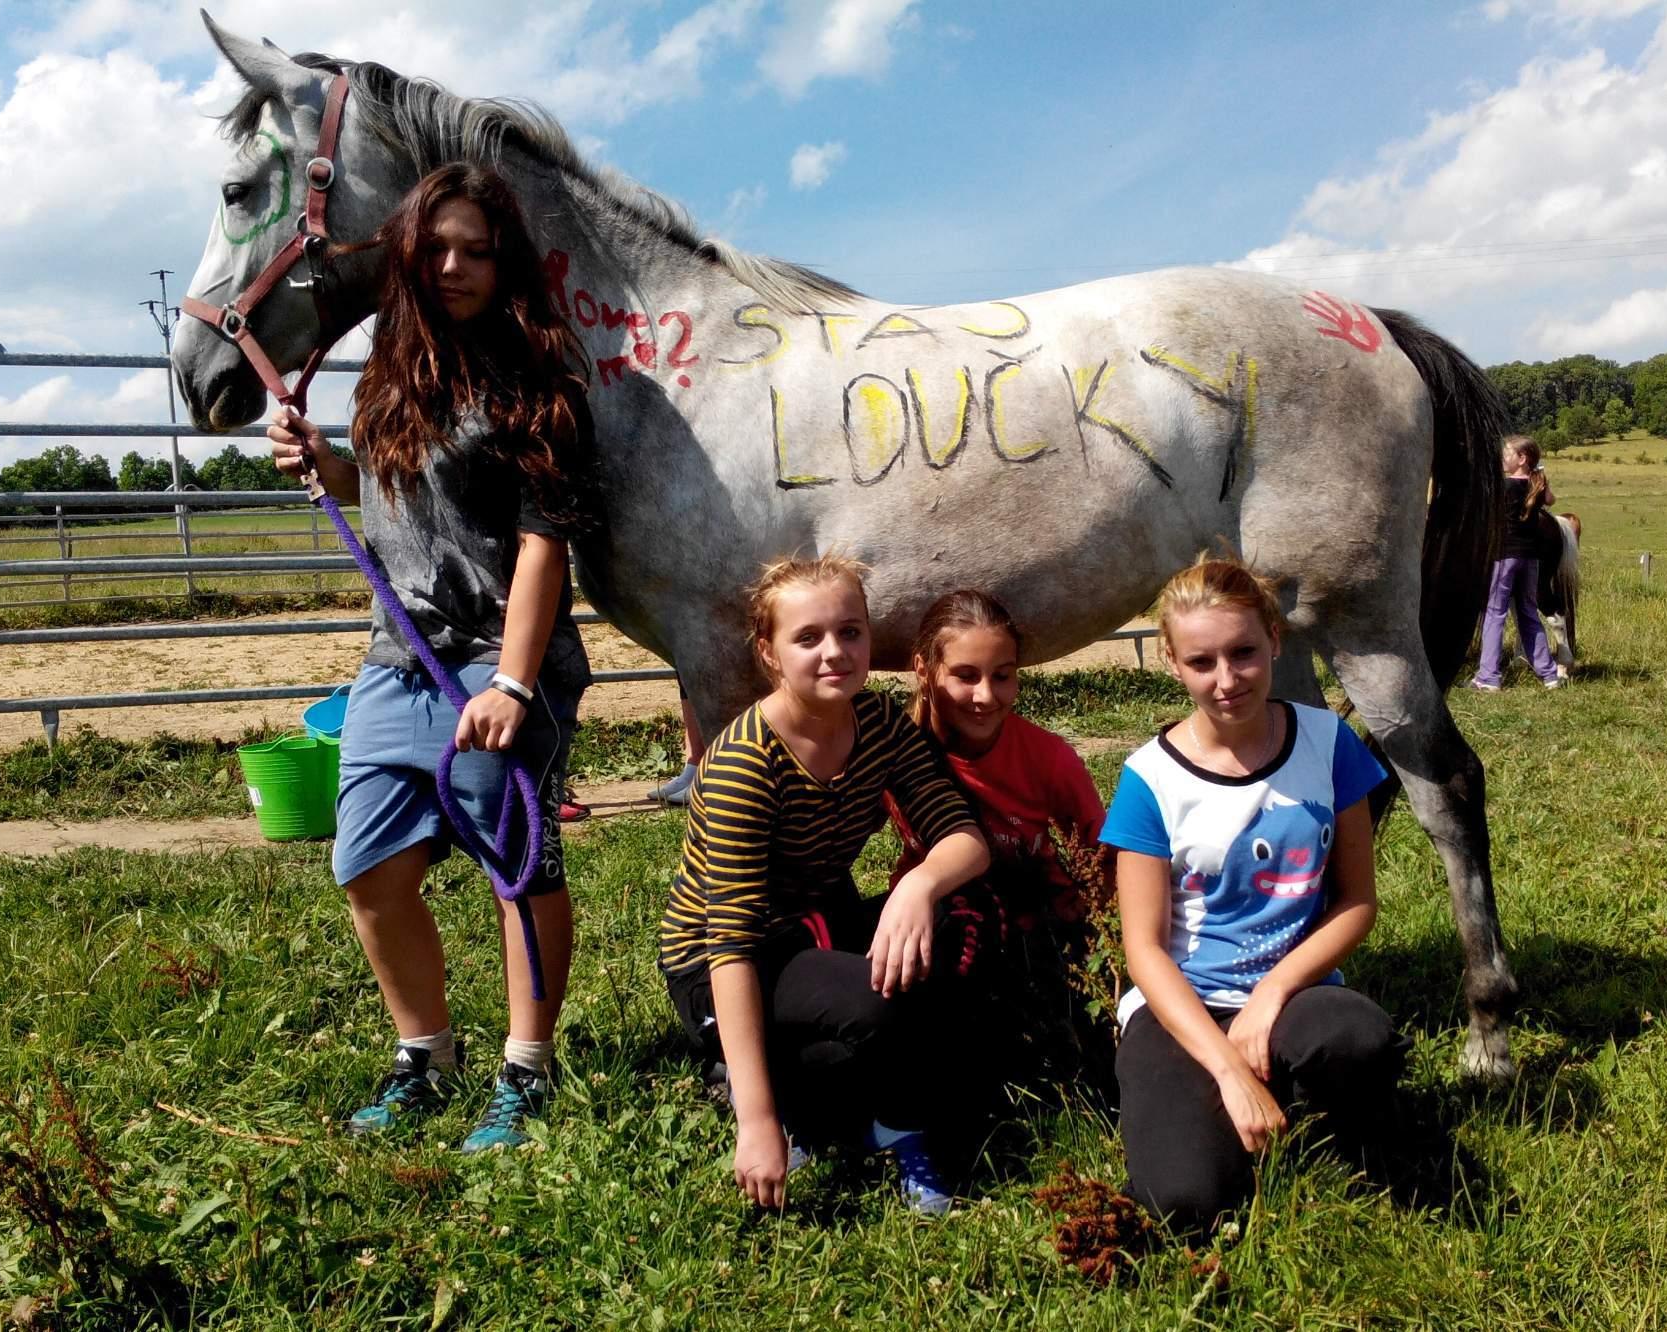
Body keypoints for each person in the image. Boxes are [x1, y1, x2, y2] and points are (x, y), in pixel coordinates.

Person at [267, 163, 596, 1152]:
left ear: (504, 265)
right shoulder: (385, 373)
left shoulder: (538, 381)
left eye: (476, 251)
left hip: (499, 659)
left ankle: (527, 1070)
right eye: (437, 248)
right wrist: (321, 463)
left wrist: (512, 683)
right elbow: (387, 490)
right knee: (365, 867)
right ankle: (427, 1053)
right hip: (395, 660)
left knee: (516, 867)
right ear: (408, 255)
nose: (454, 266)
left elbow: (544, 543)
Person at [656, 554, 993, 1214]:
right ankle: (822, 1111)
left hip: (818, 923)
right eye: (807, 638)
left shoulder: (881, 725)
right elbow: (731, 945)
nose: (834, 652)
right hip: (723, 963)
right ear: (769, 653)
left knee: (955, 922)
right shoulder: (743, 764)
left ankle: (836, 1096)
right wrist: (754, 1125)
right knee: (877, 1006)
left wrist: (918, 886)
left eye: (851, 631)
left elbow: (964, 837)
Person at [1103, 555, 1404, 1235]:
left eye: (1243, 652)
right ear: (1173, 664)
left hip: (1296, 994)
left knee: (1363, 1042)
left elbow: (1356, 901)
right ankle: (1222, 1099)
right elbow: (1144, 951)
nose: (1227, 679)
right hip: (1183, 1006)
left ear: (1274, 637)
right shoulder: (1149, 780)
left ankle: (1288, 1098)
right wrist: (1226, 1066)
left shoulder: (1328, 744)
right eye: (1202, 661)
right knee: (1182, 1204)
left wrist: (1271, 995)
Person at [889, 589, 1111, 1085]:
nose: (986, 695)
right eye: (965, 675)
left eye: (1002, 676)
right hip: (943, 923)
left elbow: (1105, 861)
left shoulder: (1050, 760)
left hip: (1048, 937)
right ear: (924, 672)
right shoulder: (901, 753)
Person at [1473, 435, 1563, 691]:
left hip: (1505, 555)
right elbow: (1550, 501)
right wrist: (1540, 475)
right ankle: (1549, 674)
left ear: (1522, 459)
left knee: (1495, 613)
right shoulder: (1535, 484)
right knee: (1528, 613)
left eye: (1507, 454)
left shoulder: (1505, 486)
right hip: (1531, 558)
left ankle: (1488, 677)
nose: (1503, 458)